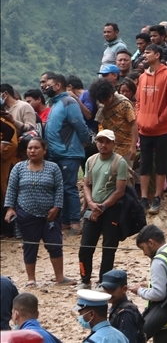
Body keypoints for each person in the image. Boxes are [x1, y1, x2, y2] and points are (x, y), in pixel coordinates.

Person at [3, 137, 70, 286]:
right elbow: (12, 189)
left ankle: (60, 277)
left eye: (36, 148)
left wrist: (56, 208)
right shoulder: (18, 168)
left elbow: (59, 189)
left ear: (44, 151)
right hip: (26, 214)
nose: (32, 151)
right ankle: (31, 279)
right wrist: (10, 208)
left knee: (55, 244)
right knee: (30, 246)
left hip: (50, 215)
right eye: (29, 148)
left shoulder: (53, 168)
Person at [77, 130, 129, 289]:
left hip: (111, 209)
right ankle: (85, 279)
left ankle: (104, 281)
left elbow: (120, 190)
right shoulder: (91, 160)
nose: (103, 145)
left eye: (107, 142)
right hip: (93, 207)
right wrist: (91, 203)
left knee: (109, 248)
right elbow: (86, 184)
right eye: (100, 141)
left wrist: (102, 206)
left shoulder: (119, 162)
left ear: (113, 144)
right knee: (85, 247)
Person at [39, 73, 90, 231]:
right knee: (60, 189)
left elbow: (80, 125)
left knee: (69, 187)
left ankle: (75, 222)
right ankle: (65, 221)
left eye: (48, 84)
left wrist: (83, 140)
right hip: (56, 154)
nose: (45, 87)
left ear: (58, 85)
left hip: (68, 153)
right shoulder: (54, 104)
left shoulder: (68, 102)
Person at [136, 44, 167, 214]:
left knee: (161, 164)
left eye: (148, 52)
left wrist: (160, 119)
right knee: (144, 164)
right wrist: (139, 117)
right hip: (144, 129)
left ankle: (158, 197)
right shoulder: (142, 77)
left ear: (157, 55)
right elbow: (138, 101)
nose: (144, 55)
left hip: (161, 129)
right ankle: (145, 198)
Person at [99, 270, 144, 343]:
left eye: (111, 289)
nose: (107, 293)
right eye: (105, 289)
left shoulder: (126, 315)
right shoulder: (117, 307)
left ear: (124, 289)